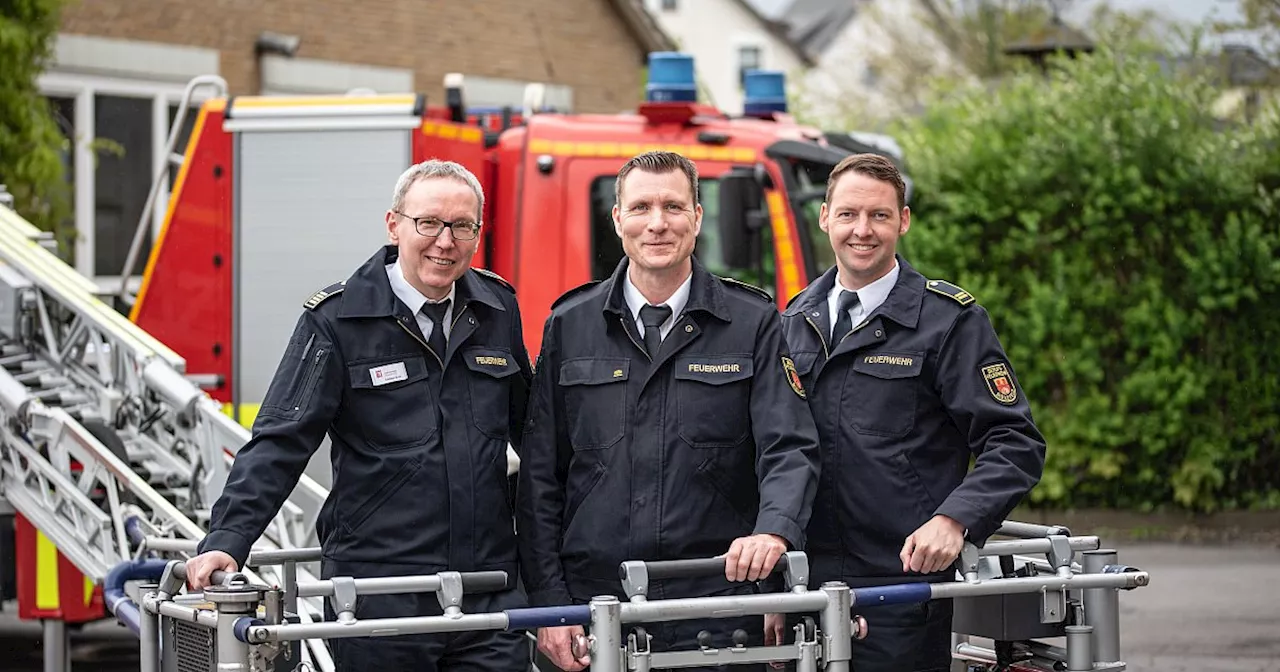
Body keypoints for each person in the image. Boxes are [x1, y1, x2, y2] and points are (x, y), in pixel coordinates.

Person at [185, 159, 535, 672]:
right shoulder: (336, 320)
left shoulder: (496, 309)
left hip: (487, 589)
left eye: (463, 226)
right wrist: (227, 541)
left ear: (478, 234)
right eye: (429, 223)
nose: (445, 241)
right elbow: (281, 441)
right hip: (379, 593)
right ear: (394, 225)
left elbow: (537, 438)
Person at [516, 150, 821, 672]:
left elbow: (788, 447)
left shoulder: (753, 322)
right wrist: (549, 603)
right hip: (596, 605)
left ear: (698, 218)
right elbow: (541, 476)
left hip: (720, 602)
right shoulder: (570, 325)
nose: (657, 224)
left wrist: (774, 534)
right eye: (640, 207)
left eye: (673, 207)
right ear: (617, 220)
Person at [775, 153, 1047, 672]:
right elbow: (775, 450)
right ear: (824, 217)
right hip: (803, 586)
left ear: (903, 220)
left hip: (899, 588)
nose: (863, 230)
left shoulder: (948, 322)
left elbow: (1014, 442)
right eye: (849, 214)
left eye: (879, 215)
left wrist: (955, 519)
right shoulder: (793, 318)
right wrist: (773, 581)